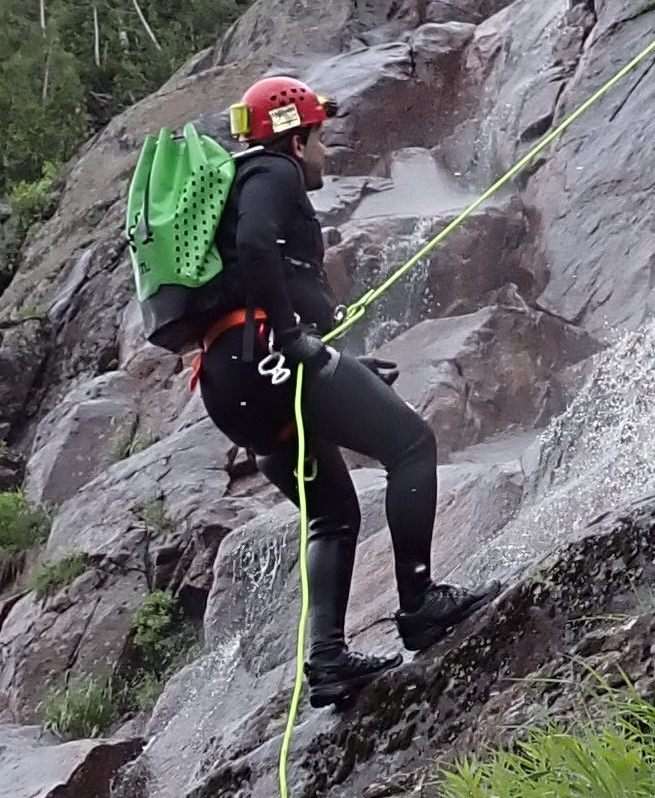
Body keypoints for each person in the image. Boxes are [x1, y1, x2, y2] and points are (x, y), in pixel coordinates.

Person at [190, 75, 490, 705]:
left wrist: (344, 364)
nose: (325, 152)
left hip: (231, 384)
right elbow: (256, 248)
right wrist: (297, 342)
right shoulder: (271, 172)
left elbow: (268, 275)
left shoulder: (240, 187)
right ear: (295, 140)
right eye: (320, 138)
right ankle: (420, 604)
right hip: (270, 361)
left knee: (333, 513)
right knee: (412, 445)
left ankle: (326, 660)